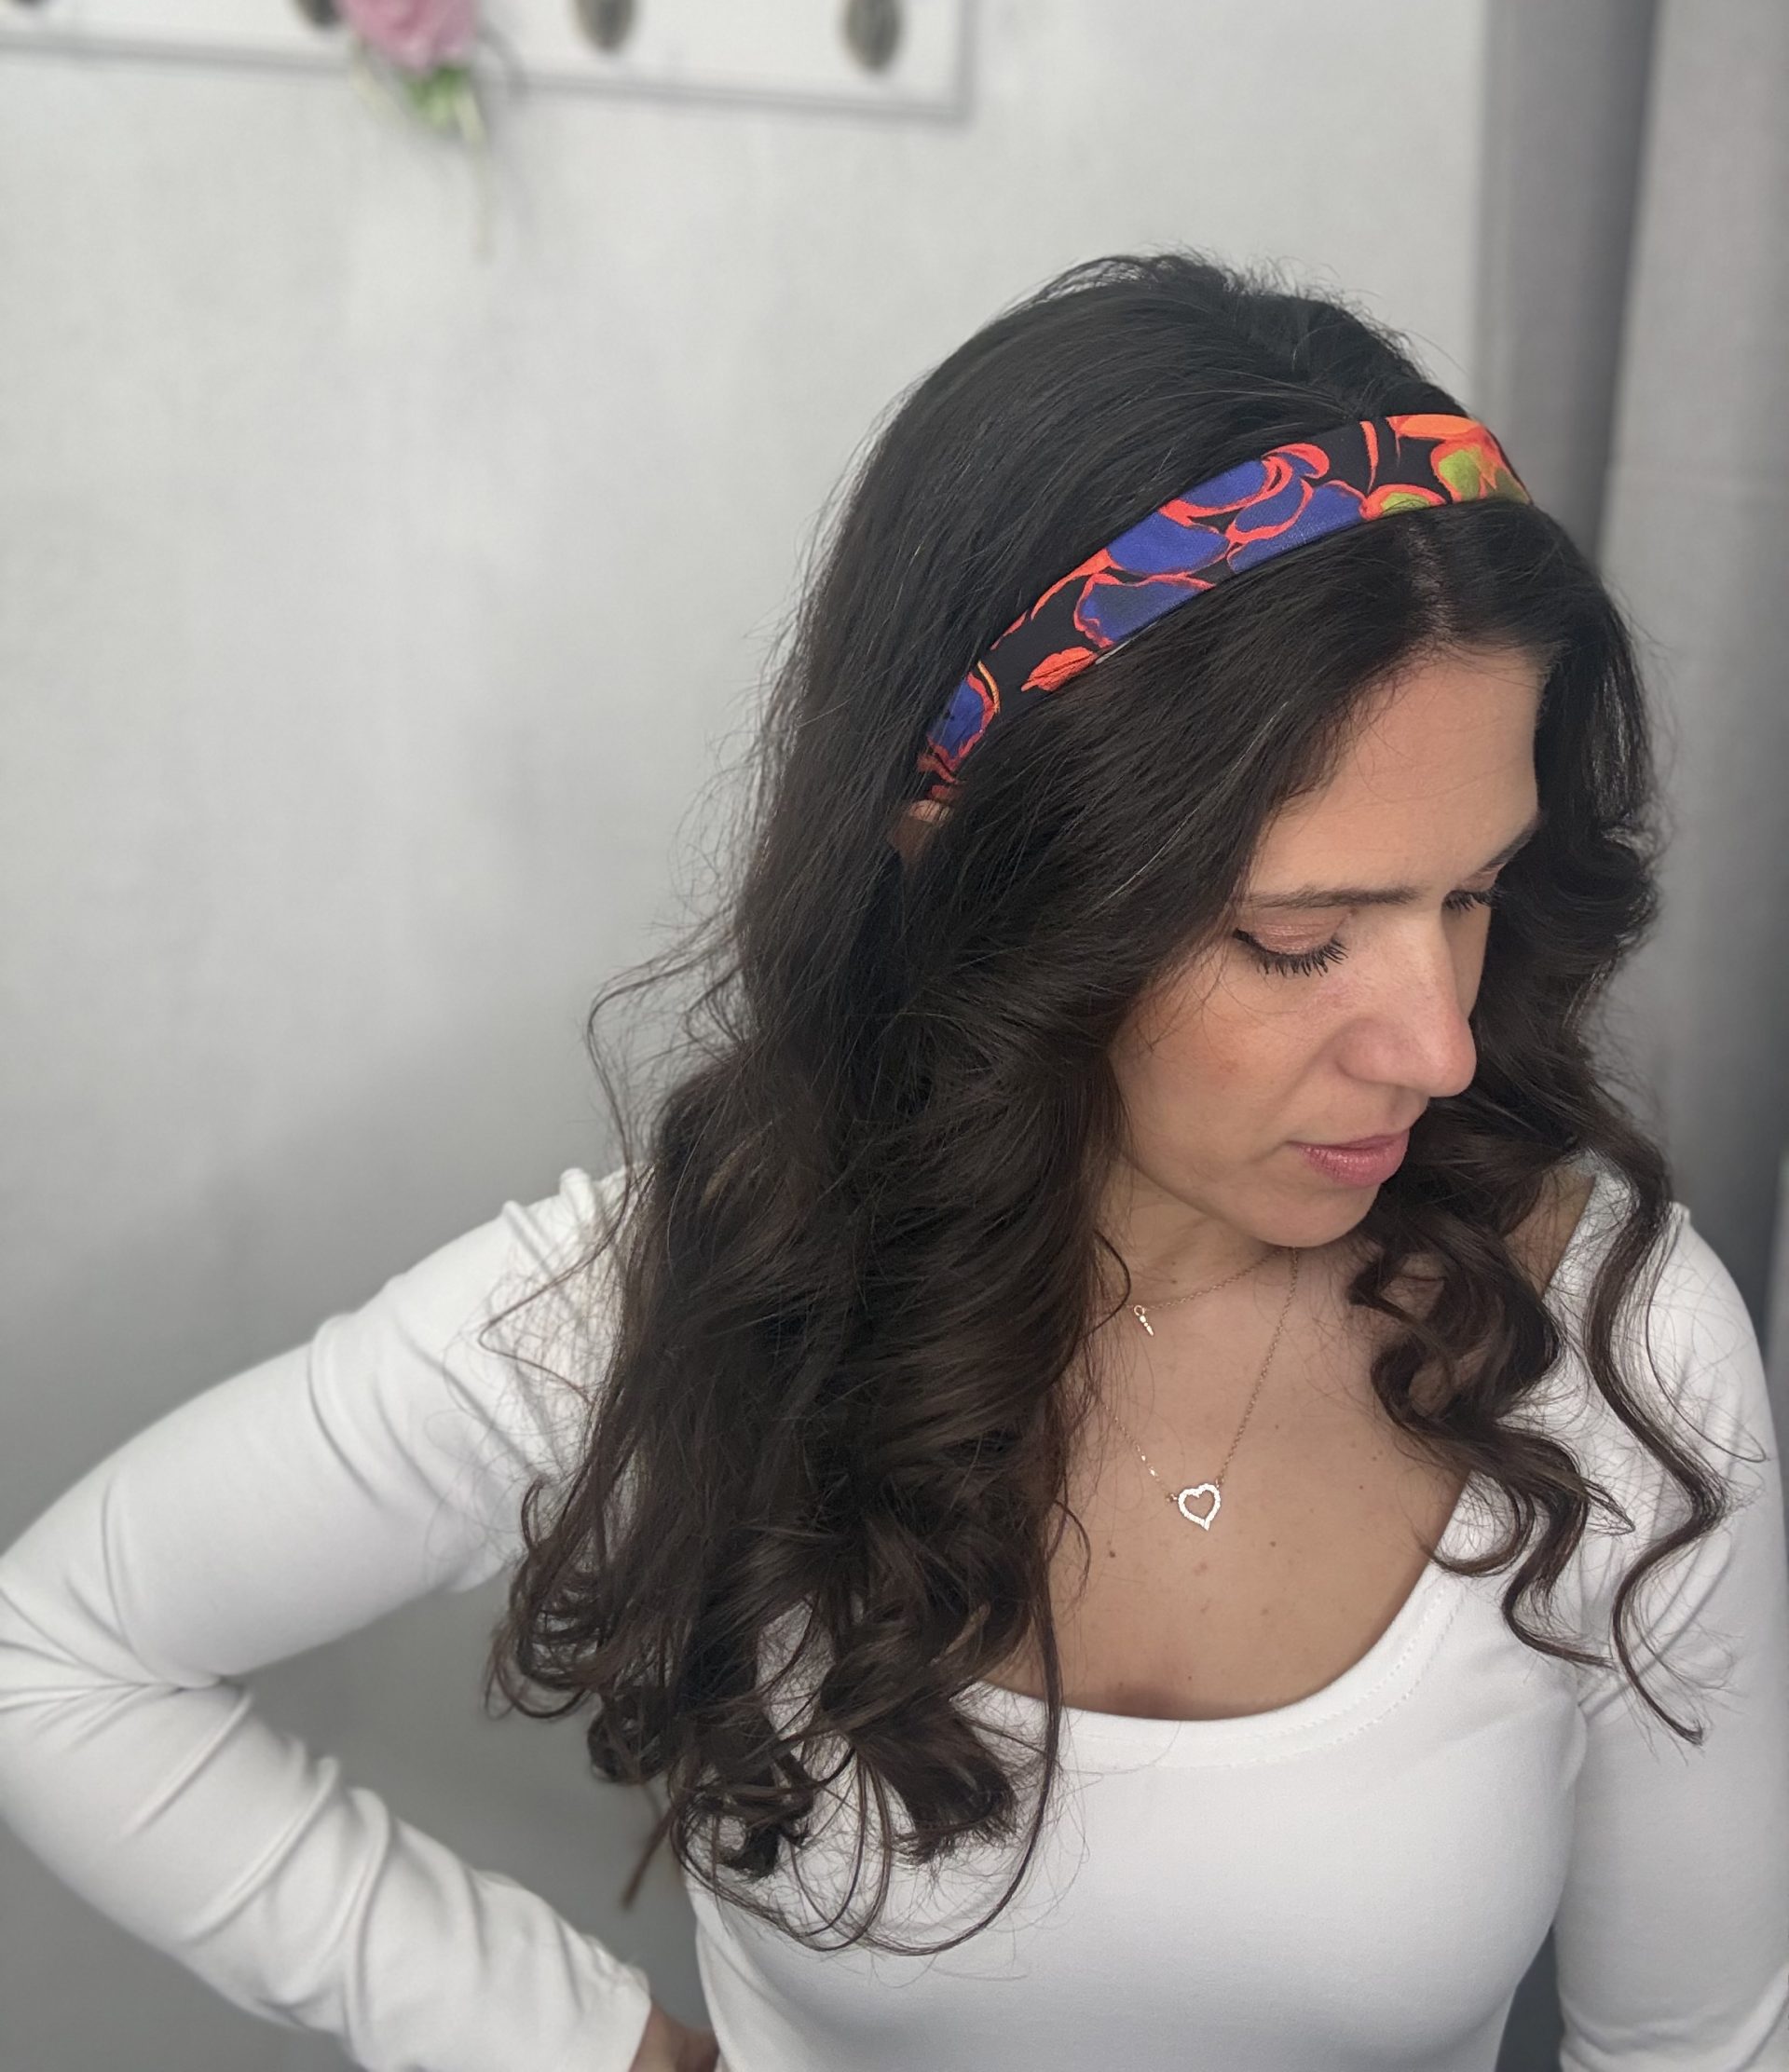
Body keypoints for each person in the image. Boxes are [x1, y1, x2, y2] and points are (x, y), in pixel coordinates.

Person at [1, 251, 1784, 2072]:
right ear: (982, 866)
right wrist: (581, 2047)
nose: (1438, 1044)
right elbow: (56, 1657)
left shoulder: (1617, 1353)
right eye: (1297, 937)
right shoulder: (690, 1304)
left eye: (1474, 892)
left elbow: (1698, 2046)